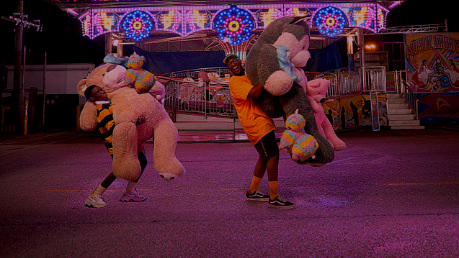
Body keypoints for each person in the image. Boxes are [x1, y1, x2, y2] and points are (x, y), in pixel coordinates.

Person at [223, 54, 294, 209]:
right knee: (273, 154)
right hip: (255, 123)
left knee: (264, 156)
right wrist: (266, 75)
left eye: (234, 60)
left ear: (240, 63)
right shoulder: (235, 81)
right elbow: (254, 93)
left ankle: (252, 191)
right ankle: (274, 196)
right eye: (229, 63)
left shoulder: (246, 78)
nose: (233, 63)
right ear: (228, 69)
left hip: (262, 121)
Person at [83, 85, 147, 208]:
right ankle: (94, 195)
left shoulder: (110, 103)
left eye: (101, 89)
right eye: (98, 91)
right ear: (92, 97)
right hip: (117, 143)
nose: (102, 91)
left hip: (129, 140)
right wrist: (133, 121)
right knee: (119, 170)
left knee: (142, 161)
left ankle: (130, 192)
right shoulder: (102, 108)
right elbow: (113, 128)